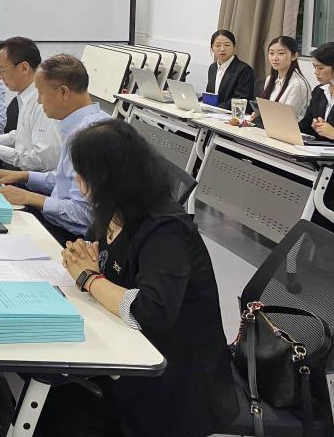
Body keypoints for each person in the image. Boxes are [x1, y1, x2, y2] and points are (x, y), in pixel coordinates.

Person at [36, 120, 238, 437]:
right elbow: (103, 260)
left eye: (81, 173)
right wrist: (85, 261)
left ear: (105, 178)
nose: (76, 180)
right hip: (129, 351)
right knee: (53, 397)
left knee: (60, 411)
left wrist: (89, 278)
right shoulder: (114, 209)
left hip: (172, 380)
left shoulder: (165, 230)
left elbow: (151, 311)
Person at [0, 54, 108, 243]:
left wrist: (30, 197)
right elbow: (65, 181)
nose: (39, 101)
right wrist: (24, 176)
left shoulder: (91, 137)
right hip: (56, 221)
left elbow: (85, 216)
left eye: (41, 93)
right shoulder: (79, 126)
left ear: (63, 93)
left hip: (71, 236)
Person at [0, 37, 61, 173]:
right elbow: (25, 135)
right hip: (25, 174)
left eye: (2, 70)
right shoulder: (25, 96)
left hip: (36, 180)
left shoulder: (42, 102)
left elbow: (43, 160)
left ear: (24, 68)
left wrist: (0, 151)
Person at [256, 35, 310, 120]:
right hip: (270, 124)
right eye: (271, 53)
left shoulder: (297, 84)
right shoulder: (270, 79)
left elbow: (287, 118)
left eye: (281, 53)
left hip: (288, 127)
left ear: (294, 56)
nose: (275, 58)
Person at [205, 29, 254, 107]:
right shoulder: (212, 68)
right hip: (212, 112)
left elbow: (241, 99)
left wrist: (217, 108)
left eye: (227, 45)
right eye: (218, 45)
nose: (222, 49)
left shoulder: (244, 70)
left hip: (231, 113)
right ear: (212, 48)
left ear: (234, 47)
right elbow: (210, 95)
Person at [300, 41, 334, 139]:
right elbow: (305, 125)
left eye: (320, 68)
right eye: (315, 67)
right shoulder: (319, 91)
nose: (316, 72)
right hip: (317, 147)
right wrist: (315, 127)